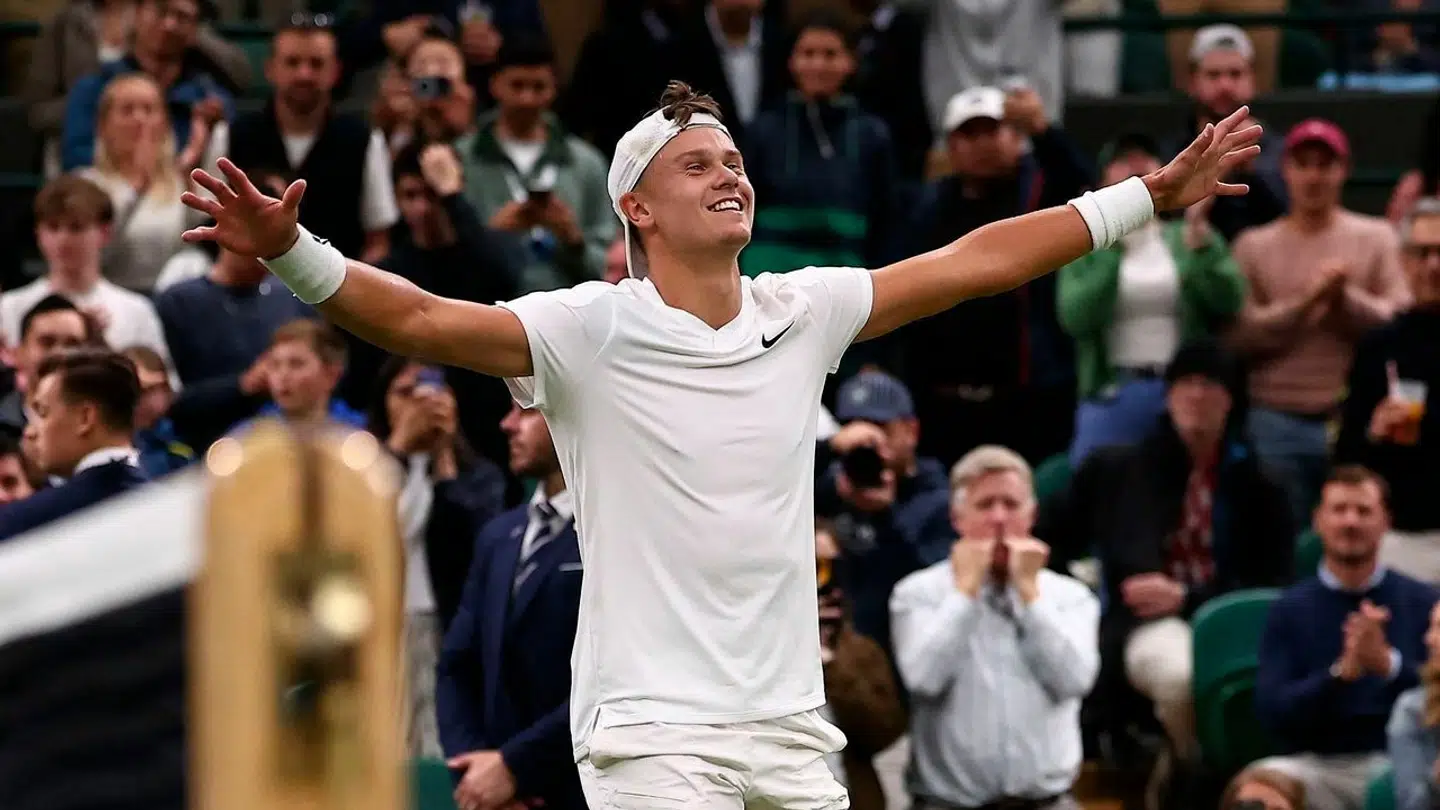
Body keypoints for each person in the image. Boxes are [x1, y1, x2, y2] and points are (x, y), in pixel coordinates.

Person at [180, 79, 1260, 809]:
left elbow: (977, 259)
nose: (729, 173)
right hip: (649, 730)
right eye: (698, 164)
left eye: (734, 159)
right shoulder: (585, 328)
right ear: (637, 209)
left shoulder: (808, 306)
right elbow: (416, 319)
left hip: (790, 724)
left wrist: (1143, 200)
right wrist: (293, 251)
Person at [0, 349, 147, 541]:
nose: (30, 431)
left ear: (84, 418)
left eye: (43, 413)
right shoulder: (176, 510)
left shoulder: (25, 522)